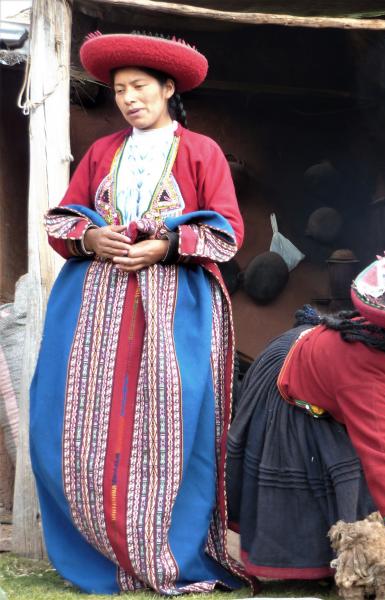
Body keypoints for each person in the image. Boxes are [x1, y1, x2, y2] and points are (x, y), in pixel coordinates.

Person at [30, 32, 245, 594]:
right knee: (80, 416)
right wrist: (93, 239)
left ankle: (169, 549)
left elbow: (227, 229)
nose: (128, 99)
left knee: (175, 418)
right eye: (120, 90)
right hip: (96, 305)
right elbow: (65, 218)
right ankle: (101, 547)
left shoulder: (203, 152)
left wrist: (166, 245)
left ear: (168, 89)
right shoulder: (103, 152)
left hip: (177, 305)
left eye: (140, 87)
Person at [226, 249, 385, 600]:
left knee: (379, 461)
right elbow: (384, 455)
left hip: (357, 388)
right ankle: (311, 565)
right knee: (346, 465)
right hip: (295, 387)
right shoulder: (367, 372)